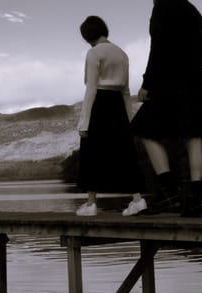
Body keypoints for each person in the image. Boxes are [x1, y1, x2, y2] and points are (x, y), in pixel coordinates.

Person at [130, 0, 202, 218]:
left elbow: (158, 48)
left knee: (143, 129)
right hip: (196, 79)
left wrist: (147, 82)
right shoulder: (192, 10)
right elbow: (200, 50)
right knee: (194, 137)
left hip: (169, 81)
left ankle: (169, 191)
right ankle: (197, 202)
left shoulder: (162, 7)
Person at [75, 16, 149, 217]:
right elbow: (126, 90)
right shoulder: (122, 53)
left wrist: (84, 122)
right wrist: (129, 118)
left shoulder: (93, 53)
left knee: (91, 152)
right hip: (117, 104)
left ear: (86, 36)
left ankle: (90, 204)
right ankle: (137, 199)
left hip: (100, 102)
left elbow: (91, 88)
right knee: (126, 153)